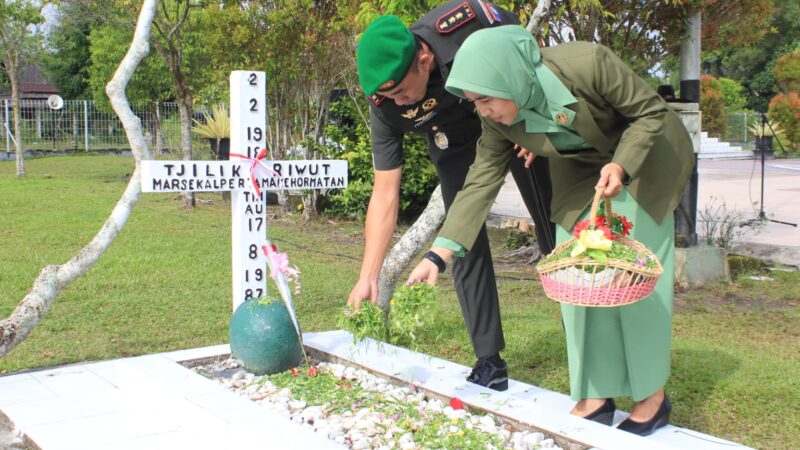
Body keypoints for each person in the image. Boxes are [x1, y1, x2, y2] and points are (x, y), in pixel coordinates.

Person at [407, 25, 693, 437]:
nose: (483, 110)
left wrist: (621, 165)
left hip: (645, 158)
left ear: (509, 76)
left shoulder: (588, 64)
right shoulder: (499, 120)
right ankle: (596, 395)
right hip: (582, 172)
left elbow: (650, 114)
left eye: (486, 99)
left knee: (632, 274)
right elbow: (480, 181)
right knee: (575, 274)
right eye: (474, 102)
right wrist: (440, 255)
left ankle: (651, 398)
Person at [349, 2, 556, 392]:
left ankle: (583, 339)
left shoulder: (464, 26)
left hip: (513, 120)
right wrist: (368, 276)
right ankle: (489, 361)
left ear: (424, 59)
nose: (396, 102)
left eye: (399, 91)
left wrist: (539, 116)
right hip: (456, 143)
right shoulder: (385, 104)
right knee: (459, 241)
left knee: (554, 228)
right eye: (386, 96)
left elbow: (525, 49)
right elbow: (385, 193)